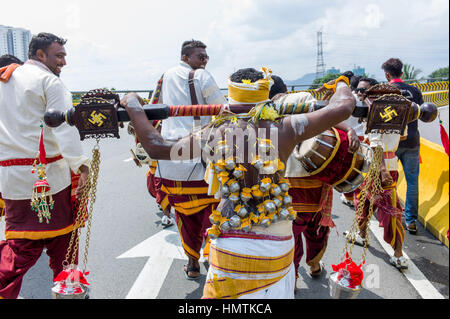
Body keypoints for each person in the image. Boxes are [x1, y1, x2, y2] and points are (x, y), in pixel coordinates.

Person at [121, 67, 355, 299]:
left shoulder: (216, 132)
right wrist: (341, 83)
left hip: (231, 240)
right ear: (265, 96)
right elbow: (343, 107)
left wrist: (132, 102)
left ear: (231, 96)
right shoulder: (287, 127)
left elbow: (155, 146)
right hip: (277, 241)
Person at [0, 33, 90, 299]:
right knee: (64, 244)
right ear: (41, 55)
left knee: (19, 246)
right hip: (50, 179)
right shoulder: (49, 81)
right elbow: (63, 128)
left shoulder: (3, 81)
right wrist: (82, 166)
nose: (64, 62)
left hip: (12, 180)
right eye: (59, 55)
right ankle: (70, 291)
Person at [149, 39, 227, 279]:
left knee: (183, 215)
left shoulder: (164, 77)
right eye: (201, 56)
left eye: (206, 56)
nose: (205, 60)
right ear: (186, 57)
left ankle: (192, 264)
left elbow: (152, 110)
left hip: (171, 161)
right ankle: (213, 264)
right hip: (201, 160)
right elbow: (224, 111)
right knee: (214, 212)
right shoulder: (202, 77)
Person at [345, 76, 409, 269]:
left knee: (389, 209)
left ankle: (398, 253)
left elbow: (376, 145)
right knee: (365, 199)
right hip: (390, 164)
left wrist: (381, 170)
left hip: (377, 167)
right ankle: (362, 233)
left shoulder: (376, 114)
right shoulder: (398, 113)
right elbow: (403, 136)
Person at [381, 58, 424, 234]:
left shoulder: (384, 92)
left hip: (391, 143)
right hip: (412, 141)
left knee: (387, 179)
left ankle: (389, 215)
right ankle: (411, 220)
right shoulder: (414, 90)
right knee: (412, 181)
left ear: (387, 74)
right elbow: (422, 114)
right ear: (403, 73)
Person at [340, 77, 378, 207]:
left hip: (375, 153)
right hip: (358, 141)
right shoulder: (352, 101)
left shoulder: (380, 109)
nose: (359, 93)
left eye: (363, 90)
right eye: (358, 90)